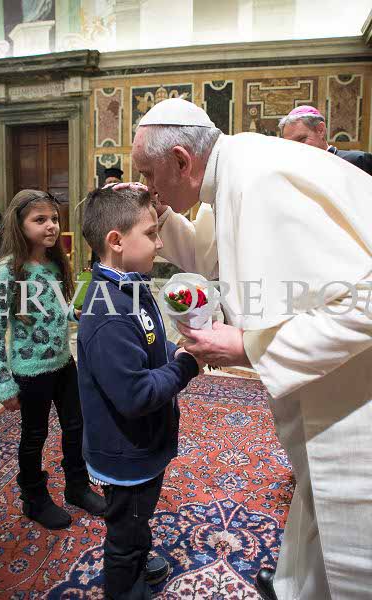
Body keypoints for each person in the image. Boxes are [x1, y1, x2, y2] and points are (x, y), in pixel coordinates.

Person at [131, 98, 372, 600]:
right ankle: (298, 587)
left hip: (354, 390)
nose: (146, 186)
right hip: (321, 382)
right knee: (317, 497)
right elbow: (209, 255)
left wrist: (248, 345)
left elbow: (364, 303)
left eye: (149, 175)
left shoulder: (262, 179)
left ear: (182, 160)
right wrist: (162, 211)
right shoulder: (234, 171)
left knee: (349, 519)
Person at [78, 184, 202, 599]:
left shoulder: (131, 288)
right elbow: (136, 395)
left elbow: (150, 343)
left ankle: (138, 550)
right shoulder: (108, 312)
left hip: (142, 448)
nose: (160, 243)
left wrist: (176, 350)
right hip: (126, 455)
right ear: (116, 241)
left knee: (136, 519)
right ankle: (126, 585)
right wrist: (187, 365)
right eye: (151, 234)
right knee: (125, 536)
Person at [0, 189, 105, 530]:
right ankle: (34, 497)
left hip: (63, 364)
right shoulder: (9, 271)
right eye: (40, 220)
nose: (51, 225)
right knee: (34, 436)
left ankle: (77, 486)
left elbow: (51, 310)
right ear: (19, 225)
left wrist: (74, 313)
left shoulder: (53, 264)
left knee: (76, 426)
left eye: (54, 218)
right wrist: (3, 383)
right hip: (30, 372)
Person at [279, 105, 372, 175]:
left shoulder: (358, 161)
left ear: (320, 130)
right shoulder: (292, 172)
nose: (296, 148)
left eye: (302, 139)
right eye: (290, 144)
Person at [90, 168, 125, 268]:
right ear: (105, 184)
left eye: (115, 182)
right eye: (110, 182)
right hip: (102, 240)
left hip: (120, 240)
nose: (112, 184)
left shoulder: (125, 200)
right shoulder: (97, 199)